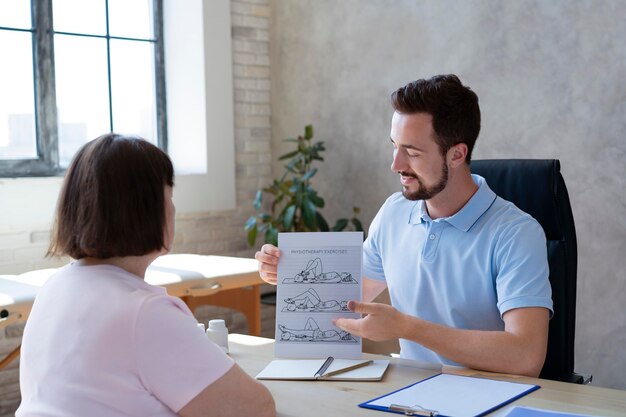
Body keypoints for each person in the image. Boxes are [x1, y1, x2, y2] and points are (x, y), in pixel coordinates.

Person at [255, 74, 553, 377]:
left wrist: (408, 328)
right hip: (409, 392)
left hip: (487, 398)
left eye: (412, 152)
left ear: (457, 154)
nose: (396, 165)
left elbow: (525, 357)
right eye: (394, 146)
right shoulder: (394, 213)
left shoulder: (516, 233)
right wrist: (291, 276)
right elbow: (347, 298)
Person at [17, 134, 275, 417]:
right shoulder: (145, 312)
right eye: (170, 195)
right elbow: (254, 409)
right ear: (145, 209)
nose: (174, 208)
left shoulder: (55, 287)